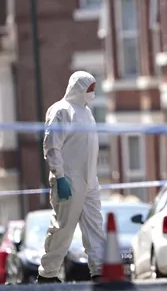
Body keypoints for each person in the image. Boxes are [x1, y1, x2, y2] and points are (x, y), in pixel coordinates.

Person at [36, 71, 105, 283]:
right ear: (79, 88)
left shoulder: (87, 112)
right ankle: (47, 274)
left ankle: (99, 272)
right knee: (63, 229)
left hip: (89, 180)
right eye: (90, 89)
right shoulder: (61, 110)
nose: (93, 93)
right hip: (69, 180)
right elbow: (51, 145)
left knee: (95, 227)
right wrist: (59, 176)